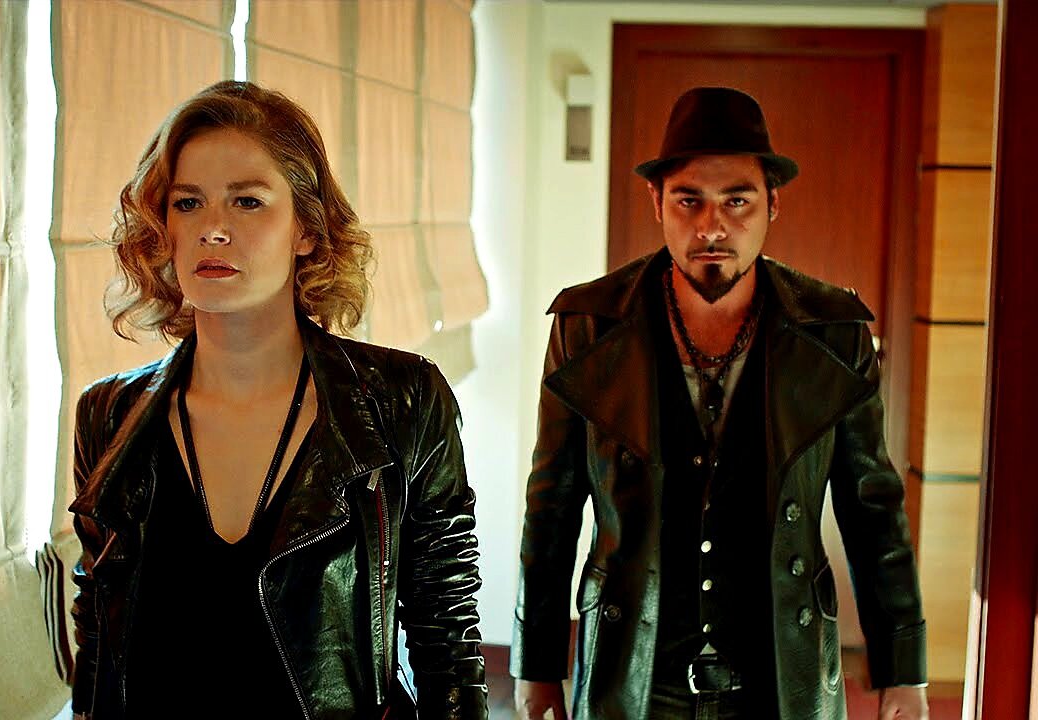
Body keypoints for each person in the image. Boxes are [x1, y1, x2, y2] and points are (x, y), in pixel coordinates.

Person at [67, 80, 488, 719]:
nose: (213, 229)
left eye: (247, 201)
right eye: (188, 203)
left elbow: (446, 629)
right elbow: (98, 632)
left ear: (306, 230)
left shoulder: (400, 400)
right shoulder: (109, 416)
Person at [510, 87, 928, 720]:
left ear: (772, 204)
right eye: (689, 200)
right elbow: (551, 506)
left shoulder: (835, 332)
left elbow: (873, 508)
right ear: (656, 201)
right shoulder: (587, 326)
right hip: (633, 665)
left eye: (737, 200)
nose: (712, 227)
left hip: (780, 670)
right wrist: (536, 665)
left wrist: (904, 668)